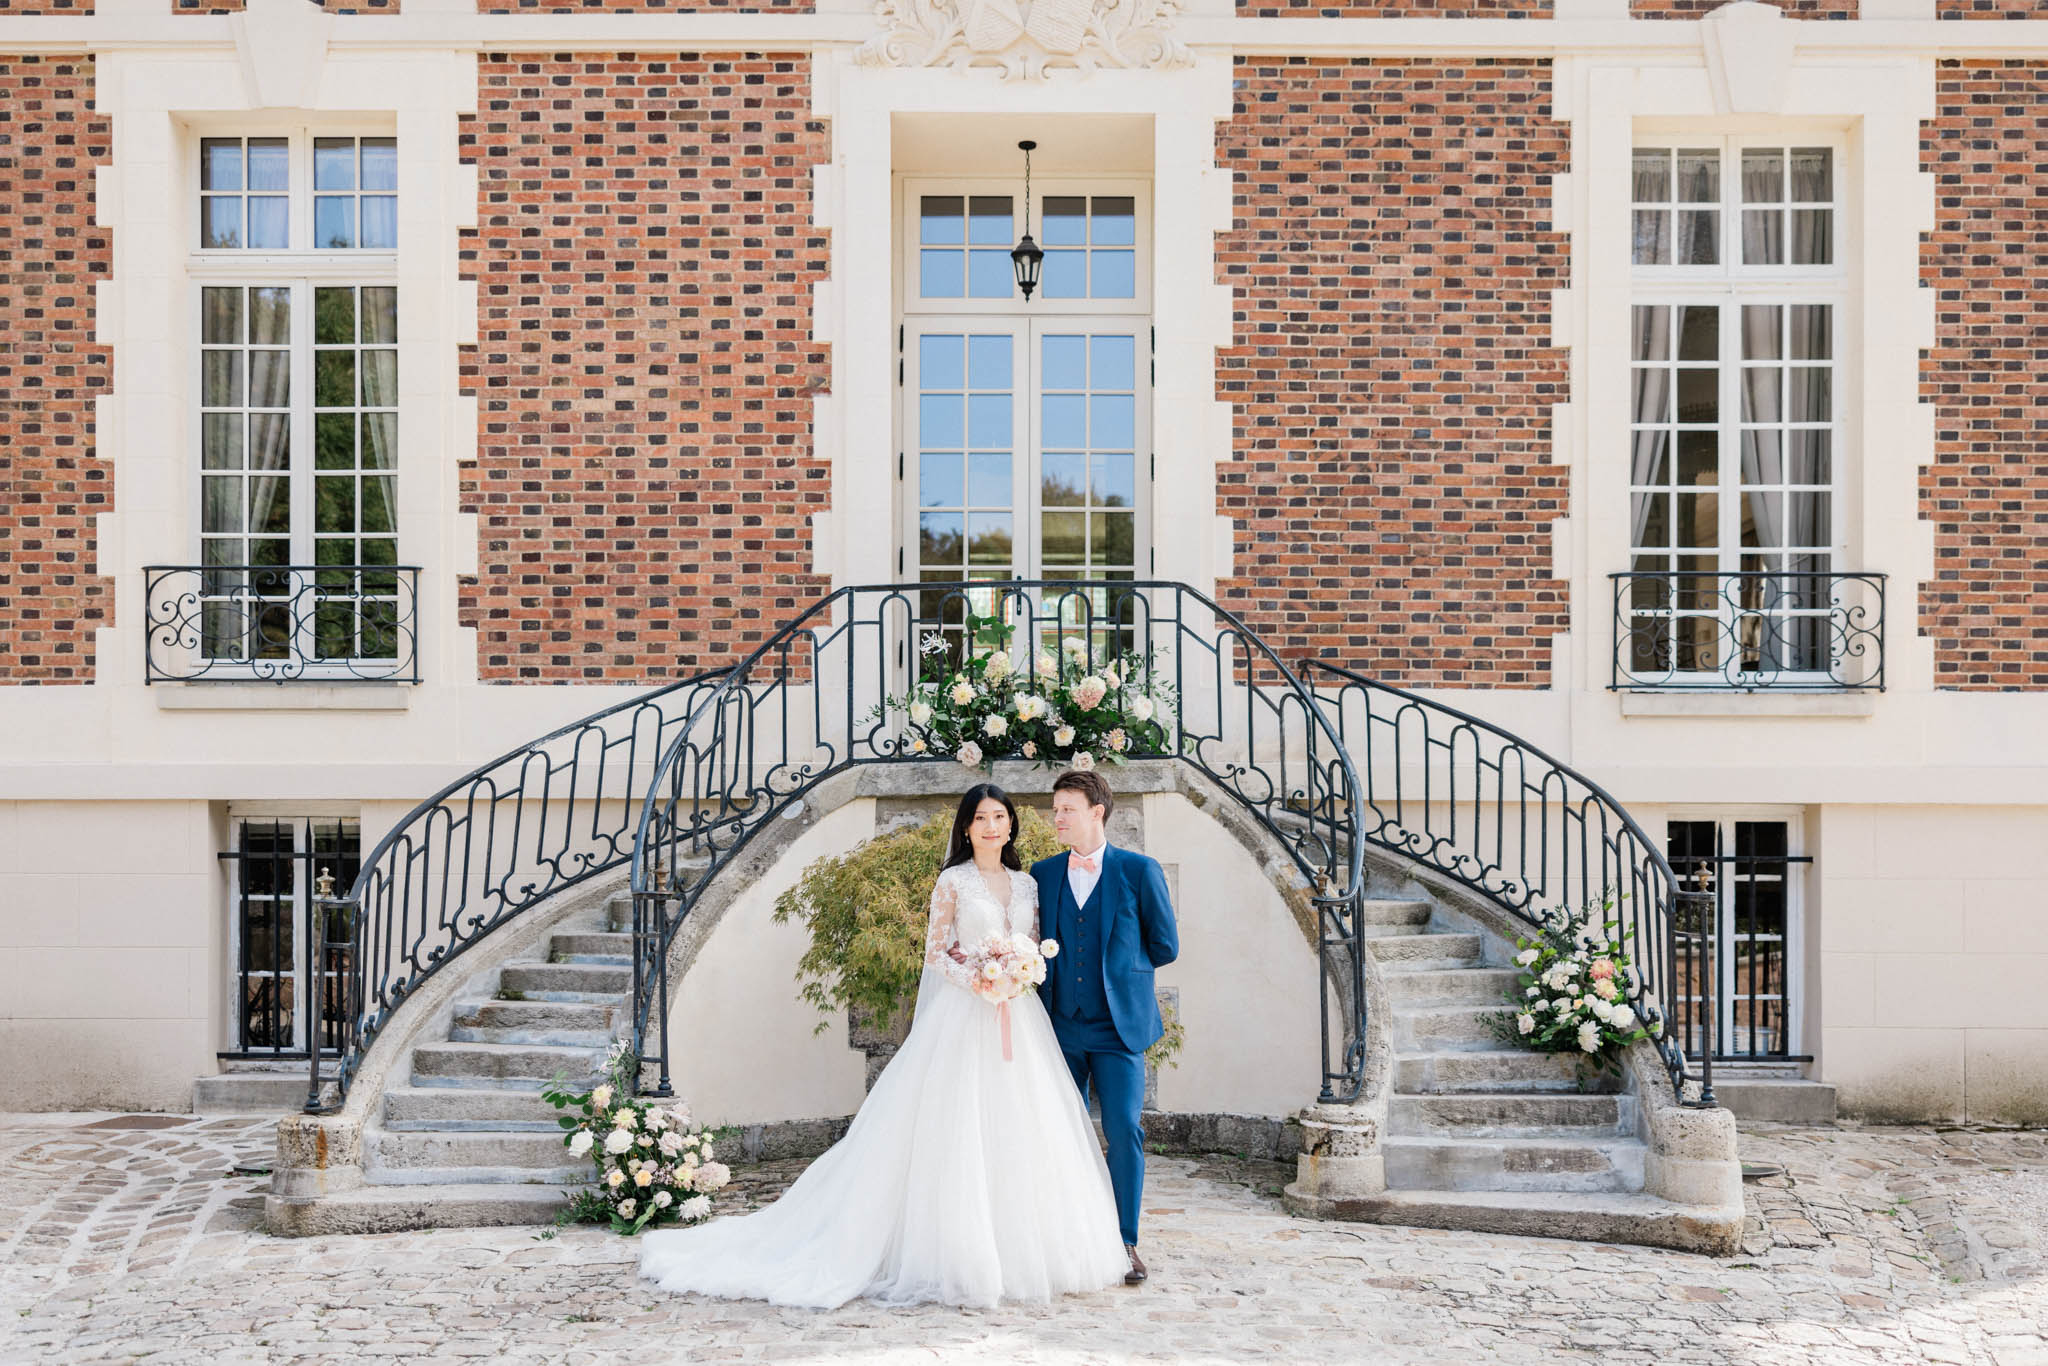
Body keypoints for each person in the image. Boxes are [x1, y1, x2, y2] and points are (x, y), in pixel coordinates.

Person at [638, 782, 1129, 1309]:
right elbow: (937, 953)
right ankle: (955, 1251)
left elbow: (1036, 945)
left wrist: (1021, 971)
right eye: (982, 818)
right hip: (965, 1014)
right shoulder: (953, 881)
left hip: (1019, 1017)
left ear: (1011, 825)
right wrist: (981, 978)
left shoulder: (1028, 884)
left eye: (1000, 817)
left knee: (1023, 1126)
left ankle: (1024, 1248)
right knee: (956, 1128)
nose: (992, 826)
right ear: (966, 827)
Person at [1030, 768, 1180, 1285]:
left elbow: (1166, 946)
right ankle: (1063, 1237)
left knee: (1123, 1128)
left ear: (1098, 812)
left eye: (1067, 809)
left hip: (1119, 1031)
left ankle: (1125, 1241)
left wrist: (1122, 971)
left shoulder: (1139, 871)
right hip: (1059, 1029)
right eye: (1055, 810)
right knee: (1057, 1133)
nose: (1058, 818)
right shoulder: (1043, 874)